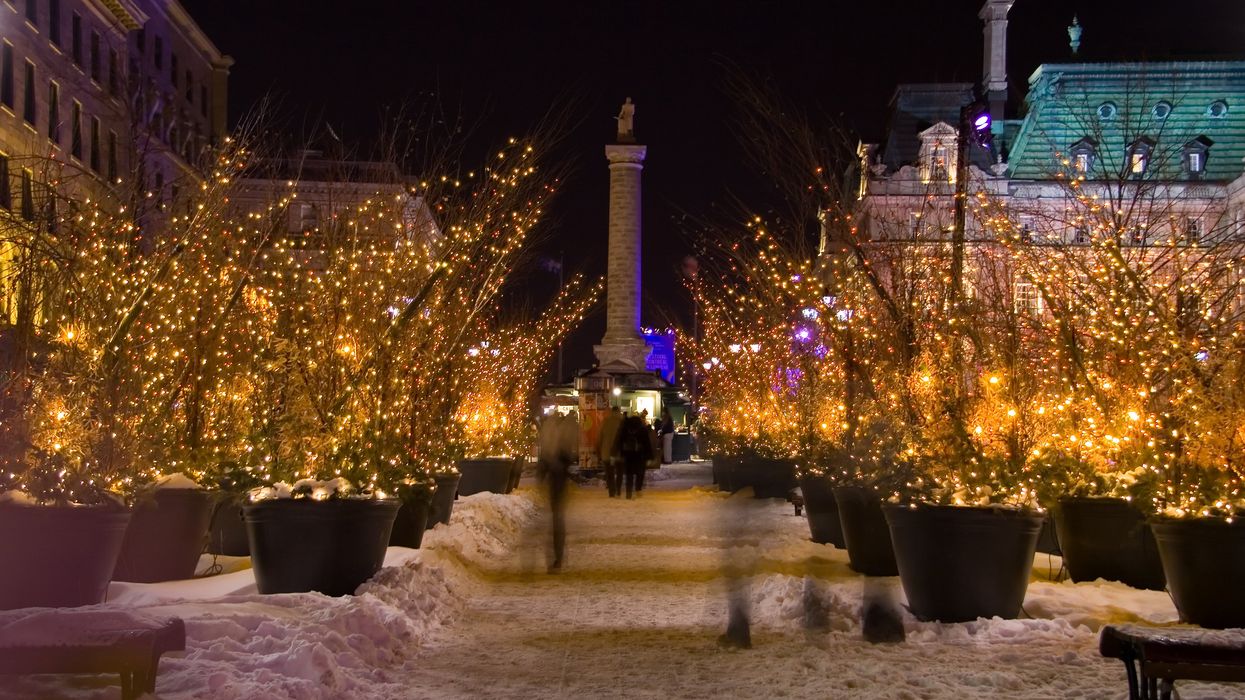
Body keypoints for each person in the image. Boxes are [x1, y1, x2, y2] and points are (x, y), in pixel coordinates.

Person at [538, 412, 577, 572]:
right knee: (557, 519)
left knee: (557, 519)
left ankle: (557, 558)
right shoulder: (566, 433)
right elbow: (568, 455)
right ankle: (558, 557)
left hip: (556, 479)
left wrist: (541, 475)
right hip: (559, 479)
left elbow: (545, 458)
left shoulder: (549, 433)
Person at [616, 413, 652, 499]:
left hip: (628, 454)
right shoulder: (642, 429)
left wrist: (621, 453)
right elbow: (647, 444)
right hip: (639, 455)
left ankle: (629, 493)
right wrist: (649, 456)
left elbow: (620, 442)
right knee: (640, 473)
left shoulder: (625, 429)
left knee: (629, 474)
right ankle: (638, 489)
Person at [597, 407, 624, 497]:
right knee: (619, 472)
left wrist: (598, 449)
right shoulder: (623, 422)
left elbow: (599, 437)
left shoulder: (606, 422)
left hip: (607, 452)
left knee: (609, 472)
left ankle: (612, 491)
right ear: (619, 411)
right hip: (620, 452)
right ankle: (618, 490)